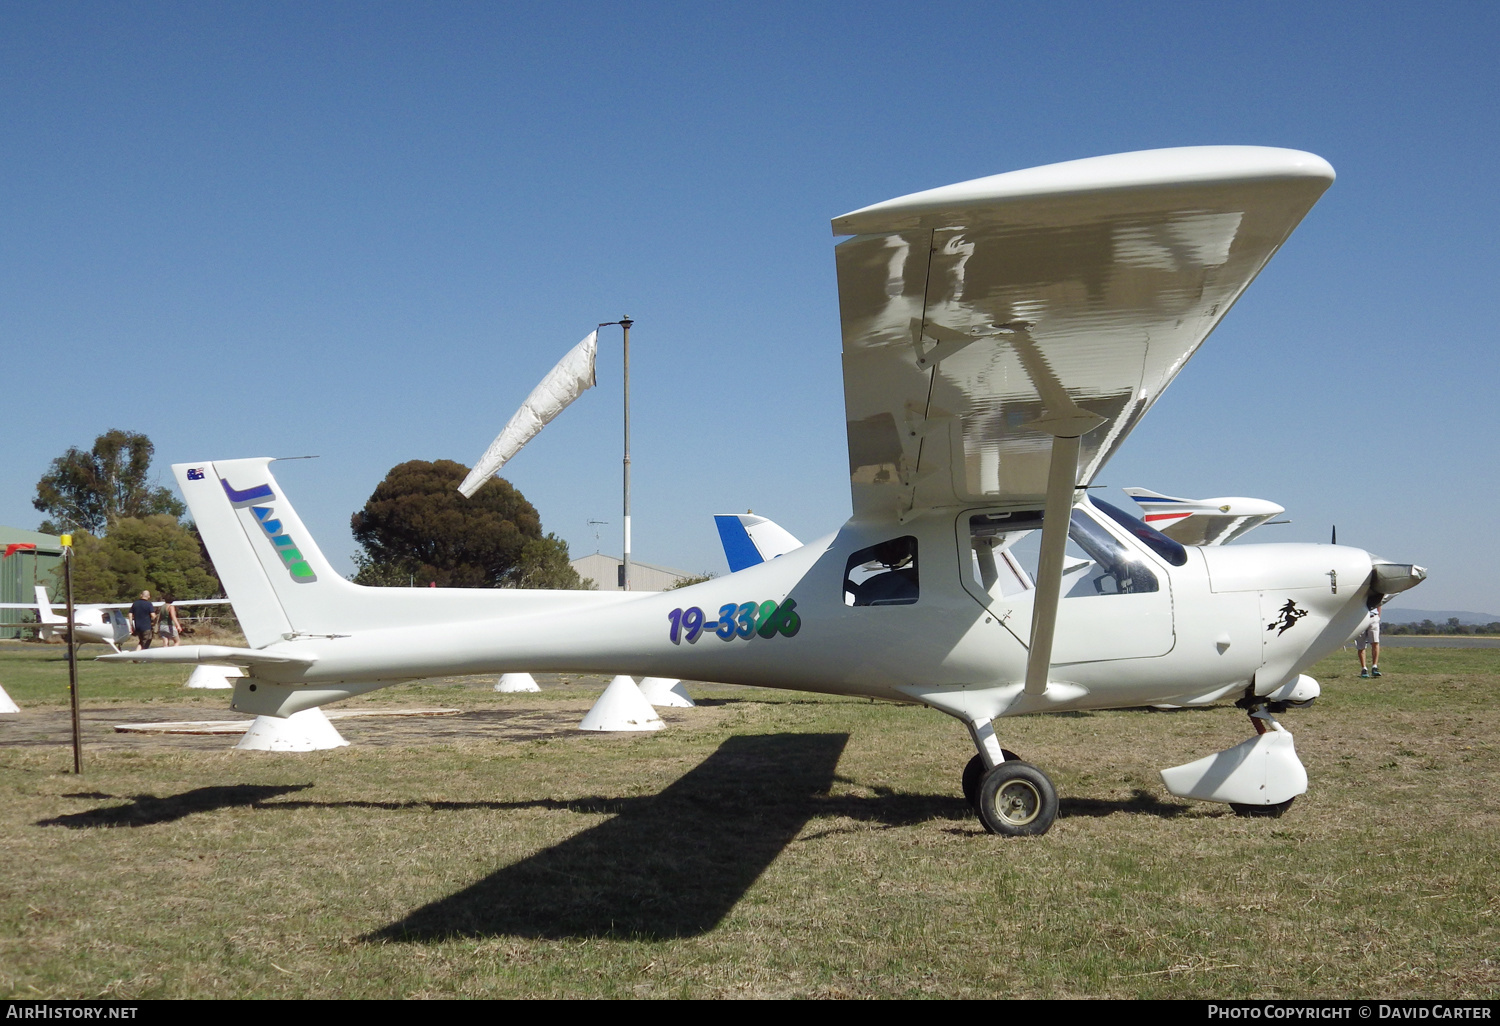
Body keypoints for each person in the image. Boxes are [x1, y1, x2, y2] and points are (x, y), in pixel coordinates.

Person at [1355, 604, 1381, 678]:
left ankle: (1374, 667)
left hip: (1373, 617)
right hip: (1359, 619)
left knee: (1375, 642)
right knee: (1361, 645)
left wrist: (1378, 616)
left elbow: (1379, 603)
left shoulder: (1374, 593)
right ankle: (1364, 669)